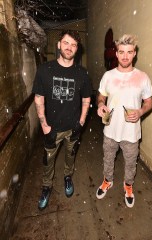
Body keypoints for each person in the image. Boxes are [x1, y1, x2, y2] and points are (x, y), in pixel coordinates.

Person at [32, 29, 92, 210]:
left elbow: (86, 100)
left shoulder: (82, 73)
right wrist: (44, 125)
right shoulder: (45, 70)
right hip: (52, 128)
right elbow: (39, 99)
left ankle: (67, 177)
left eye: (73, 45)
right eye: (66, 43)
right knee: (48, 160)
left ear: (77, 49)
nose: (69, 47)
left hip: (73, 127)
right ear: (59, 45)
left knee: (70, 155)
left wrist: (81, 122)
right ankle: (46, 186)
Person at [96, 34, 152, 208]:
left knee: (130, 162)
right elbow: (101, 97)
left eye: (129, 52)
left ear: (134, 53)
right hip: (110, 129)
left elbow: (149, 102)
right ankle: (108, 180)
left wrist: (141, 111)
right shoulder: (108, 76)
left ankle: (128, 186)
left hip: (131, 132)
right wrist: (100, 105)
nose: (125, 56)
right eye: (121, 52)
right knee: (108, 158)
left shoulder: (143, 77)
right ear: (116, 53)